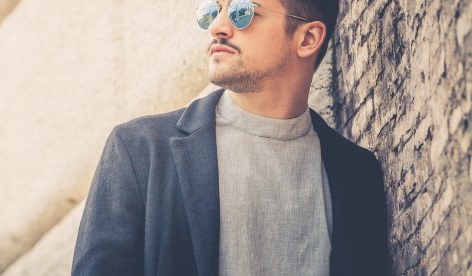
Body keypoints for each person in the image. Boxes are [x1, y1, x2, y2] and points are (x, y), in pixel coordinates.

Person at [72, 0, 391, 275]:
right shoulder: (140, 151)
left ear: (307, 38)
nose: (218, 27)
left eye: (242, 11)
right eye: (213, 10)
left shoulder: (355, 174)